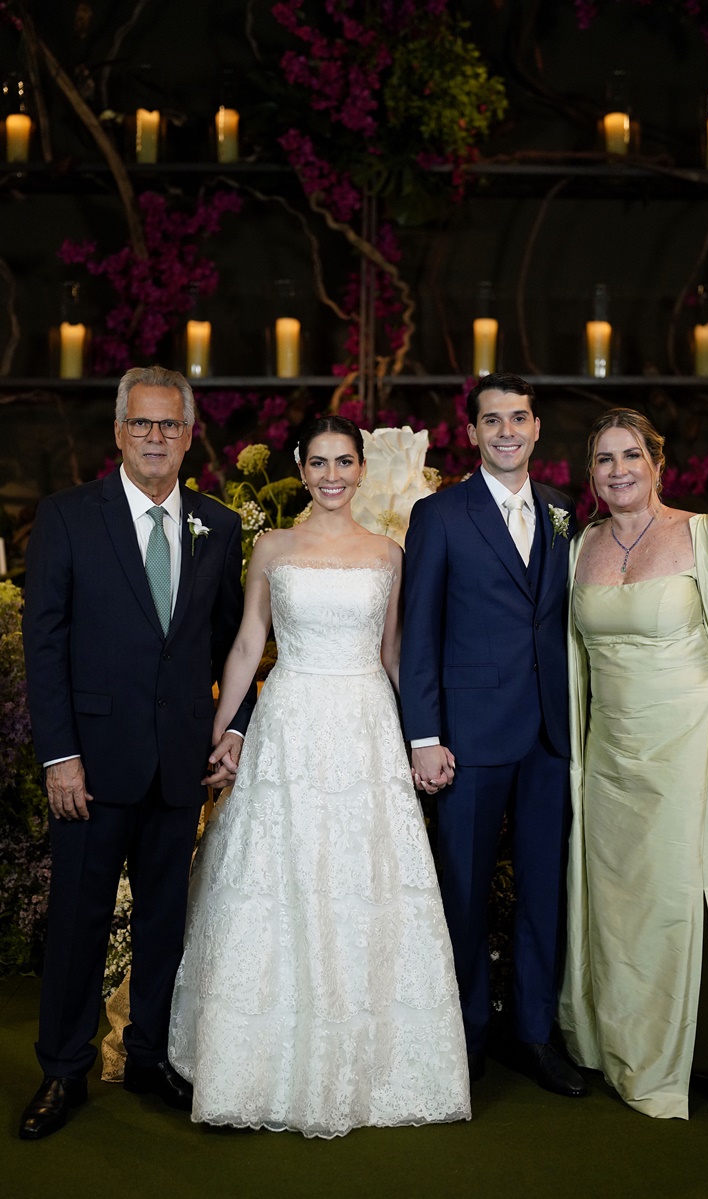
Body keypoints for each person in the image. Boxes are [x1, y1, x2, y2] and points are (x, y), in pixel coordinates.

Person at [168, 415, 471, 1137]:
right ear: (300, 470)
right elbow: (247, 644)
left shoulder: (389, 552)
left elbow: (396, 654)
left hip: (365, 722)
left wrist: (419, 738)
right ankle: (258, 1060)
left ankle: (377, 1063)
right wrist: (221, 734)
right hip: (292, 718)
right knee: (281, 879)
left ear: (362, 468)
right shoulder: (271, 545)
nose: (331, 475)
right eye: (318, 462)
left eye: (344, 461)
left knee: (365, 880)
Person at [19, 365, 254, 1140]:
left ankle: (149, 1056)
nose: (156, 437)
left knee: (164, 925)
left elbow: (236, 645)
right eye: (142, 424)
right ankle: (62, 1068)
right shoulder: (67, 517)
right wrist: (59, 754)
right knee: (80, 924)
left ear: (189, 435)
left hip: (181, 761)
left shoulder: (218, 525)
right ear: (119, 432)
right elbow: (43, 643)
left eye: (170, 425)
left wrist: (232, 725)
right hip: (89, 763)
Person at [559, 407, 708, 1122]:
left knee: (694, 890)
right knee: (627, 899)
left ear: (657, 463)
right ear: (592, 473)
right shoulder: (582, 547)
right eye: (604, 459)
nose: (618, 470)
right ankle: (638, 1049)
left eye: (631, 455)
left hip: (697, 737)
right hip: (611, 751)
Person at [399, 372, 586, 1097]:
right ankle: (466, 1037)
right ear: (472, 433)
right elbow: (420, 635)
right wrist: (424, 734)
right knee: (464, 896)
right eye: (492, 420)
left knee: (546, 892)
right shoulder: (439, 514)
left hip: (549, 733)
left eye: (519, 418)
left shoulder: (566, 511)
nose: (507, 430)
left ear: (537, 428)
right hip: (468, 739)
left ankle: (534, 1034)